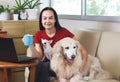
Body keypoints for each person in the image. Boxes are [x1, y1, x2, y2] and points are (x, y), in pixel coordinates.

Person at [30, 7, 87, 82]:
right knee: (38, 65)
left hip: (61, 67)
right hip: (47, 66)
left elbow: (83, 51)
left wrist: (82, 66)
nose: (47, 21)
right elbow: (40, 56)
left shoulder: (64, 32)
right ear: (41, 20)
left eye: (50, 18)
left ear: (55, 20)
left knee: (44, 66)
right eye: (44, 18)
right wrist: (30, 45)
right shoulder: (39, 34)